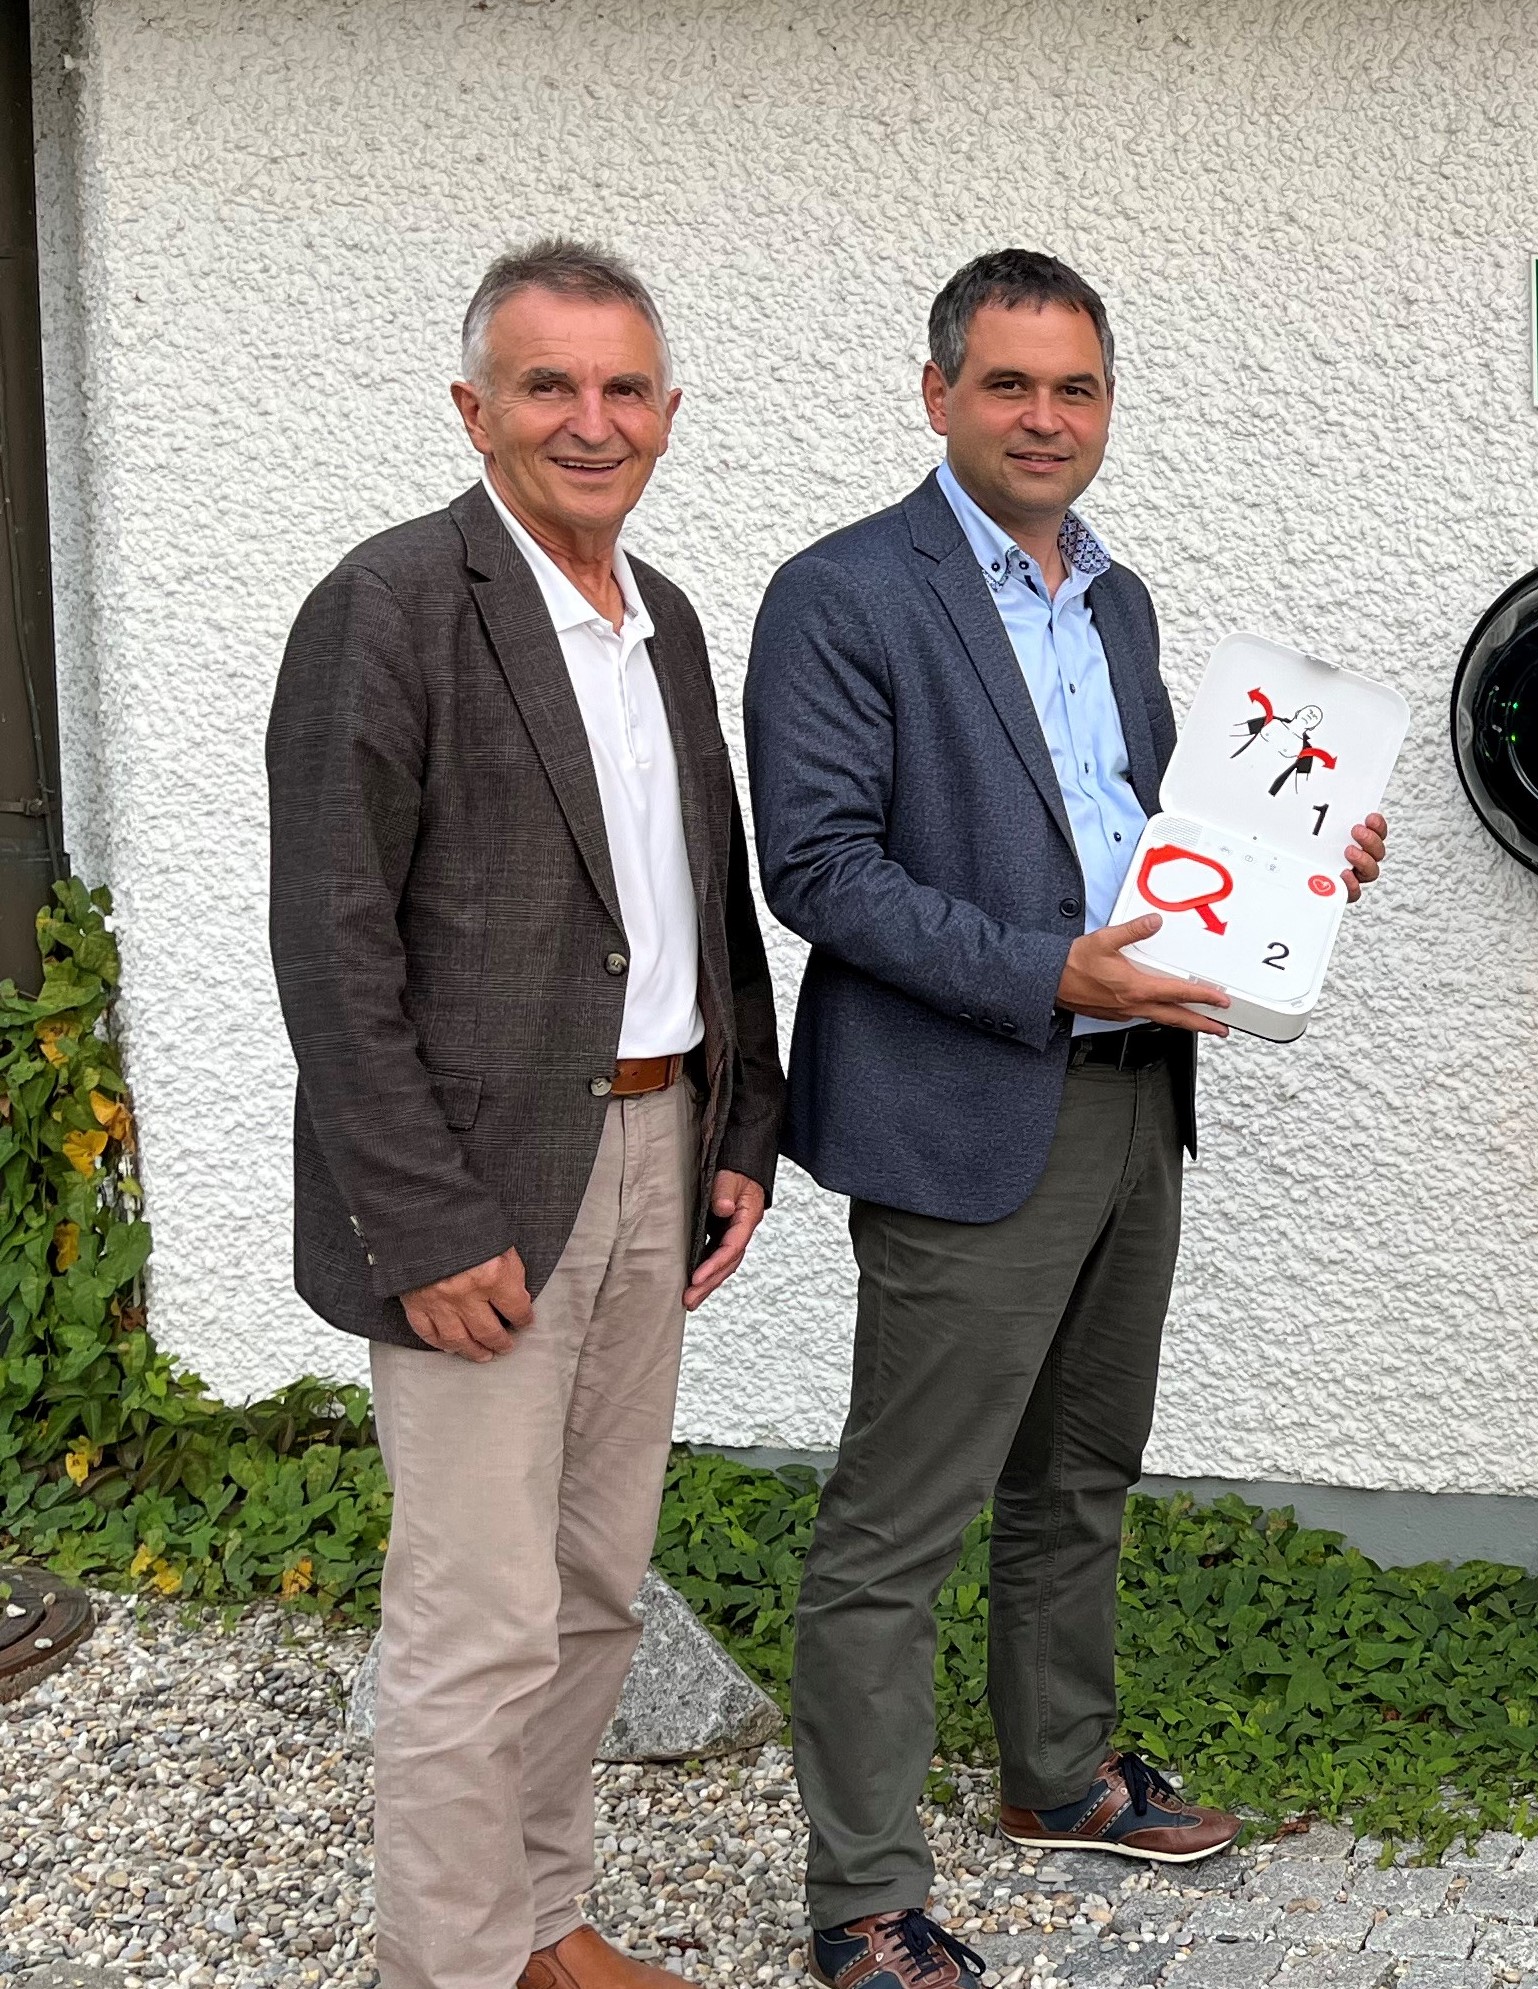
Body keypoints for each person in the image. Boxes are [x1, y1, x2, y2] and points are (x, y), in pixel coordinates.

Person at [745, 248, 1386, 1989]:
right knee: (899, 1523)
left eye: (1077, 388)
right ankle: (862, 1895)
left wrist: (1301, 863)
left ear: (1109, 405)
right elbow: (818, 870)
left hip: (1133, 1102)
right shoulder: (843, 593)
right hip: (972, 1104)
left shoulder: (1120, 601)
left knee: (1079, 1474)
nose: (1047, 417)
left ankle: (1058, 1774)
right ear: (939, 391)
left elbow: (1158, 836)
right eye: (1012, 385)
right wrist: (1054, 973)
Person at [266, 240, 786, 1989]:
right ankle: (449, 1967)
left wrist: (738, 1124)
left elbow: (704, 902)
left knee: (590, 1595)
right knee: (473, 1623)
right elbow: (332, 942)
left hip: (651, 1149)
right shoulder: (394, 603)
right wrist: (417, 1220)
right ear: (473, 408)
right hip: (478, 1187)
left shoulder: (666, 622)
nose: (591, 421)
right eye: (549, 386)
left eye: (623, 388)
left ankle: (545, 1921)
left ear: (669, 413)